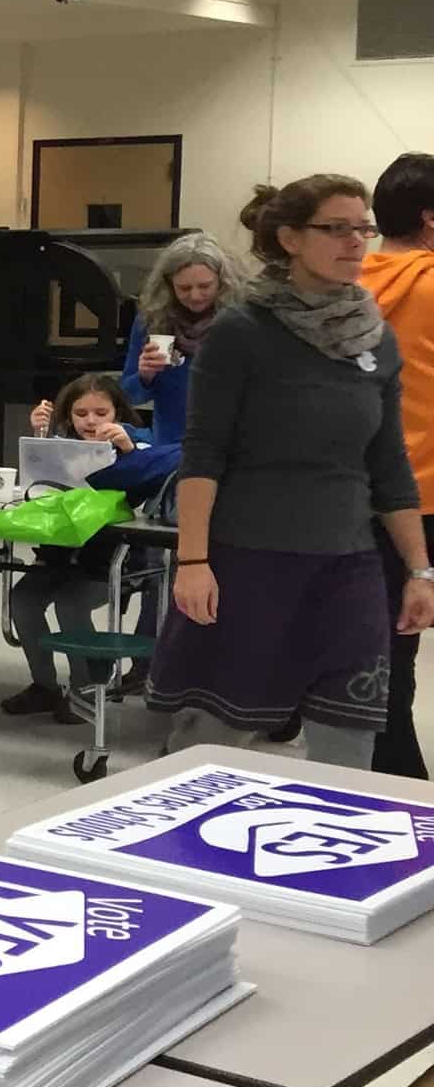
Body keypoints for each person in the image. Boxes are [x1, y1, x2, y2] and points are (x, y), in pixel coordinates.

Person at [148, 177, 431, 768]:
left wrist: (419, 570)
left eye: (364, 228)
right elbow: (204, 454)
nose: (356, 241)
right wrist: (193, 563)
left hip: (349, 564)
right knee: (218, 741)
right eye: (337, 228)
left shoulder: (374, 336)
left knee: (351, 738)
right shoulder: (242, 331)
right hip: (249, 560)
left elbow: (388, 464)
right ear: (290, 239)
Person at [1, 376, 176, 725]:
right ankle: (44, 685)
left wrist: (128, 449)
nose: (91, 421)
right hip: (60, 555)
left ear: (118, 412)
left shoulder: (138, 444)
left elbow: (150, 478)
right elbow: (40, 485)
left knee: (71, 604)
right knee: (23, 601)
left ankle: (85, 686)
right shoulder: (62, 445)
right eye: (81, 413)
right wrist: (40, 437)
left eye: (101, 412)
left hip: (112, 563)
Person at [366, 153, 434, 778]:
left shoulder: (346, 283)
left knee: (387, 646)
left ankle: (388, 772)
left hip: (361, 494)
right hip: (429, 496)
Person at [123, 231, 243, 444]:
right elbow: (128, 397)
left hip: (234, 444)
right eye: (184, 288)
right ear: (169, 285)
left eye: (205, 286)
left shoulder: (241, 321)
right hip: (173, 447)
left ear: (222, 282)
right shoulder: (151, 321)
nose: (195, 296)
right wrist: (144, 376)